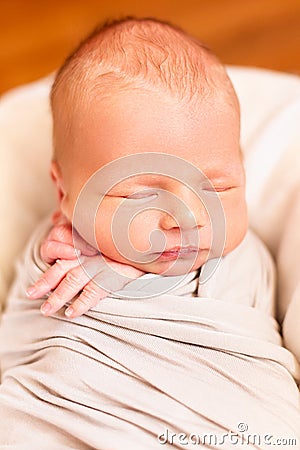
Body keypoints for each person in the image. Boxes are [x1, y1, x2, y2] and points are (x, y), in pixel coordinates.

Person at [0, 17, 299, 450]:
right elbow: (37, 324)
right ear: (64, 192)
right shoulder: (61, 248)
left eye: (216, 188)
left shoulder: (246, 258)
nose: (188, 216)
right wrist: (78, 262)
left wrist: (127, 275)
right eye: (140, 196)